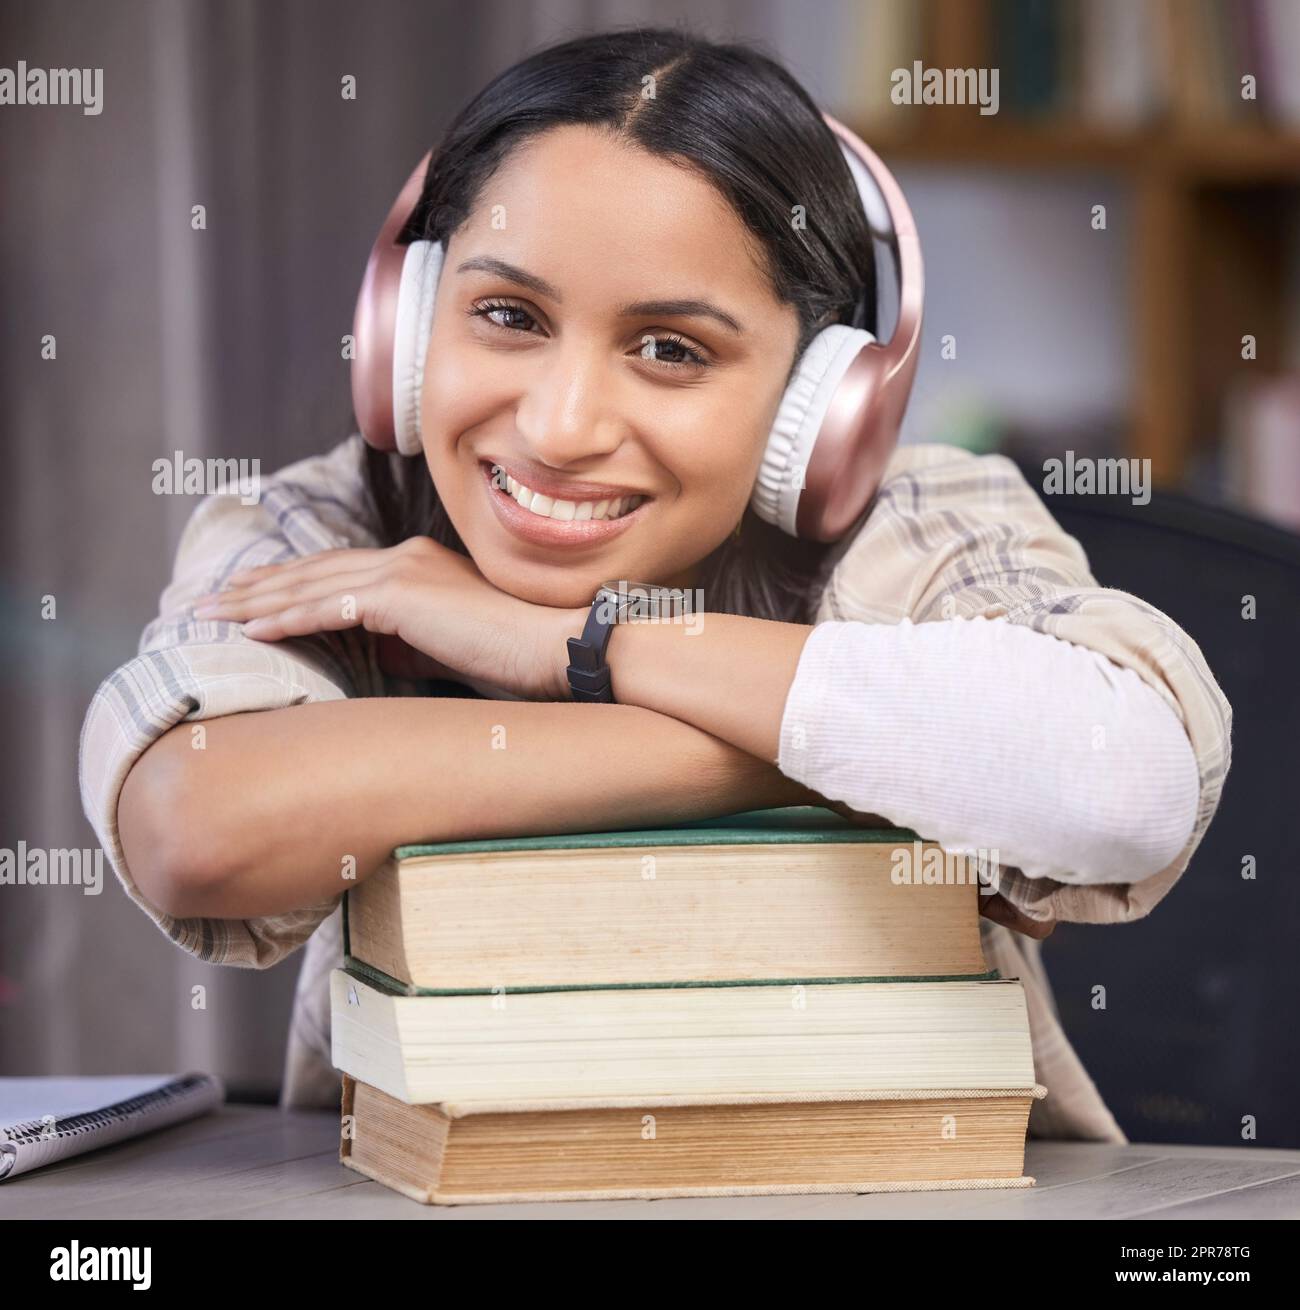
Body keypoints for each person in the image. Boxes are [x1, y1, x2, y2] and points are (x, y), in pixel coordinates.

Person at [78, 27, 1231, 1142]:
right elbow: (197, 822)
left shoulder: (920, 517)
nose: (561, 424)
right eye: (507, 315)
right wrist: (841, 763)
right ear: (407, 329)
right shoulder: (334, 529)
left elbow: (1123, 783)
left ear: (818, 406)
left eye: (671, 348)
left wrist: (584, 647)